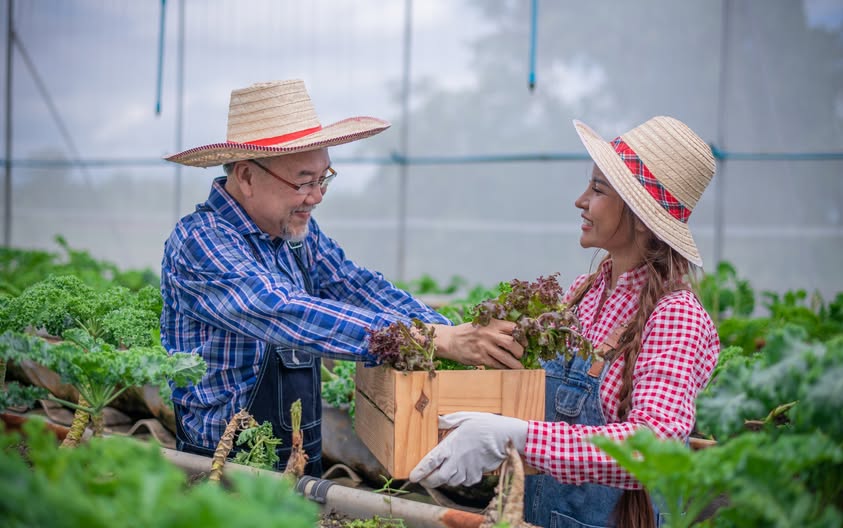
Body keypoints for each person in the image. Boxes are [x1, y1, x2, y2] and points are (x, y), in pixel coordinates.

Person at [160, 79, 523, 477]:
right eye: (304, 181)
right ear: (246, 177)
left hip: (299, 458)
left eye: (323, 179)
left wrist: (451, 332)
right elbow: (282, 311)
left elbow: (356, 287)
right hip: (224, 469)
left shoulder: (296, 234)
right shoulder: (200, 240)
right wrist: (435, 340)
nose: (317, 196)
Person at [409, 116, 721, 528]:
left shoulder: (675, 316)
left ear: (643, 216)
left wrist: (517, 437)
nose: (580, 201)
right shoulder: (584, 291)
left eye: (597, 189)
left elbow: (653, 449)